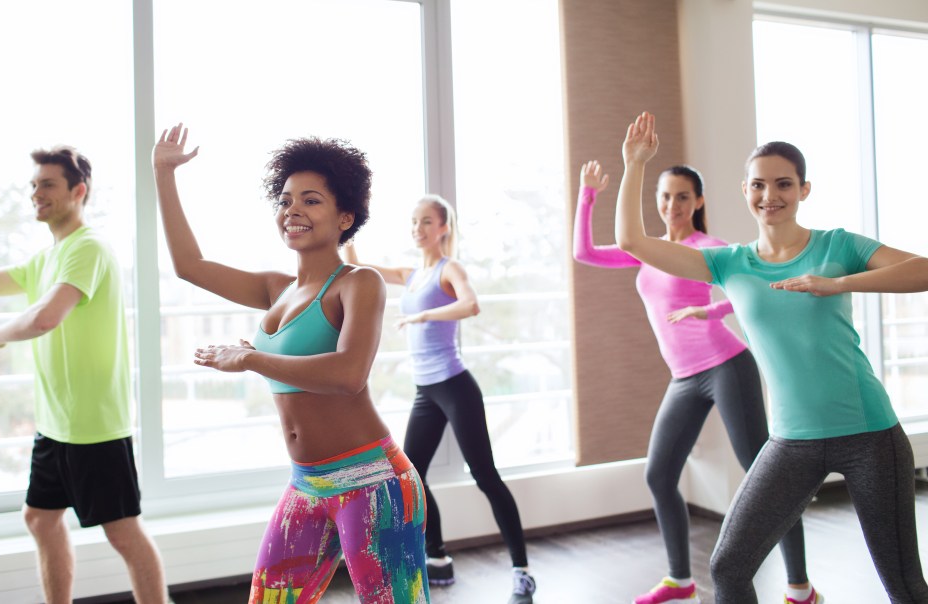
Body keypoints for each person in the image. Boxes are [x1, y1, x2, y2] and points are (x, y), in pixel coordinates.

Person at [614, 111, 928, 604]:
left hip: (869, 434)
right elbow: (632, 242)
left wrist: (839, 283)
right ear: (744, 191)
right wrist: (634, 165)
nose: (770, 196)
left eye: (784, 184)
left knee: (904, 587)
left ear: (804, 190)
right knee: (728, 567)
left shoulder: (837, 246)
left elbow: (923, 270)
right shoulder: (727, 262)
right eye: (759, 185)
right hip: (792, 441)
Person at [152, 124, 429, 604]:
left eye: (311, 200)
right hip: (307, 483)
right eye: (284, 200)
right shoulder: (274, 288)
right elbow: (188, 266)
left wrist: (253, 358)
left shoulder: (358, 284)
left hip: (374, 483)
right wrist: (163, 173)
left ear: (345, 216)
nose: (292, 210)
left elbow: (347, 376)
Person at [573, 160, 813, 603]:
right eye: (664, 196)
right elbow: (584, 253)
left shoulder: (707, 247)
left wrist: (710, 310)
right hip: (684, 376)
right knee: (660, 474)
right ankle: (680, 581)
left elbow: (753, 287)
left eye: (682, 196)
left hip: (726, 365)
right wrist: (587, 195)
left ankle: (800, 587)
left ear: (698, 201)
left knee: (766, 475)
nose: (672, 205)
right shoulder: (647, 248)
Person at [0, 151, 168, 603]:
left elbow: (46, 317)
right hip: (55, 426)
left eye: (47, 184)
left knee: (123, 533)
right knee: (40, 518)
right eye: (33, 185)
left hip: (93, 426)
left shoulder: (87, 247)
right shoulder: (44, 260)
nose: (36, 193)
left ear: (78, 191)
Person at [344, 195, 536, 604]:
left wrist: (424, 315)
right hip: (425, 391)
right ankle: (438, 557)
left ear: (443, 228)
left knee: (485, 476)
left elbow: (471, 304)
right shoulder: (411, 273)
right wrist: (349, 222)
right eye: (414, 221)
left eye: (426, 221)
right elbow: (357, 264)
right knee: (411, 476)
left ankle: (522, 571)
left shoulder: (450, 269)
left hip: (455, 385)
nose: (418, 228)